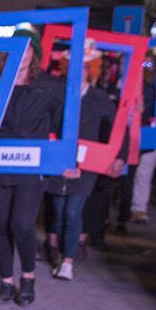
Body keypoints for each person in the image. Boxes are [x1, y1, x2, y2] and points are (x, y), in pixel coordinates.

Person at [0, 35, 62, 305]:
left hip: (32, 165)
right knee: (1, 225)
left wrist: (62, 159)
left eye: (29, 48)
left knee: (22, 223)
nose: (24, 53)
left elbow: (64, 123)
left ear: (35, 53)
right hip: (0, 164)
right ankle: (6, 283)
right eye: (19, 47)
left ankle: (28, 278)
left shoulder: (49, 87)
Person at [45, 44, 120, 281]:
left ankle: (68, 262)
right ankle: (56, 252)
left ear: (91, 70)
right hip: (59, 161)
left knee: (73, 211)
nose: (81, 72)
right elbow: (47, 123)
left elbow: (117, 128)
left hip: (87, 164)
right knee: (57, 211)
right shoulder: (57, 94)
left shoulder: (99, 98)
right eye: (76, 67)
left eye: (85, 68)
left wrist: (118, 156)